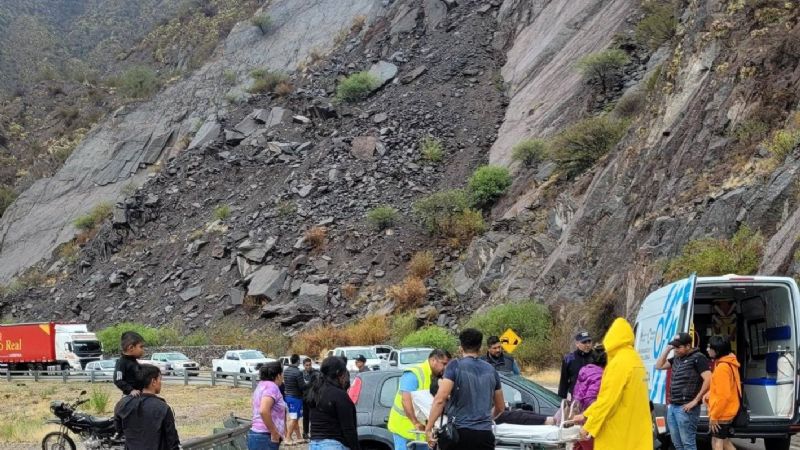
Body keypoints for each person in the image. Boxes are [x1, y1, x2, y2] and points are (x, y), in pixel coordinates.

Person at [572, 318, 652, 450]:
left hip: (617, 435)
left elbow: (607, 400)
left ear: (611, 340)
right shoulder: (636, 360)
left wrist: (588, 427)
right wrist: (585, 415)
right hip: (636, 432)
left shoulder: (618, 363)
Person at [425, 329, 505, 450]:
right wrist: (486, 419)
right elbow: (500, 407)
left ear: (461, 347)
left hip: (460, 434)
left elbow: (440, 400)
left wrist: (428, 428)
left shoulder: (455, 366)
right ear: (480, 347)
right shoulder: (491, 370)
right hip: (485, 435)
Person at [655, 332, 712, 450]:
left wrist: (696, 401)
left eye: (678, 347)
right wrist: (667, 349)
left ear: (688, 346)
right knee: (677, 443)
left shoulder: (698, 358)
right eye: (674, 347)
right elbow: (659, 366)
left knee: (688, 444)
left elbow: (709, 379)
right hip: (673, 406)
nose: (675, 350)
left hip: (687, 409)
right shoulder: (676, 358)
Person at [388, 349, 450, 450]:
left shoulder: (437, 376)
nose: (446, 368)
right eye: (444, 363)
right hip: (404, 428)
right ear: (434, 360)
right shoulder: (414, 374)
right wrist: (415, 422)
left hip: (421, 432)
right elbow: (405, 400)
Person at [113, 364, 180, 450]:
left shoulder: (122, 404)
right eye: (160, 379)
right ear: (153, 381)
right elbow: (172, 441)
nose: (161, 382)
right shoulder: (163, 408)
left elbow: (119, 430)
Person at [307, 356, 360, 450]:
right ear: (339, 373)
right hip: (333, 445)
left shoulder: (315, 391)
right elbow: (348, 429)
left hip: (314, 444)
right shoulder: (339, 395)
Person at [703, 335, 740, 450]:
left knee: (716, 442)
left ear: (717, 350)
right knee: (725, 442)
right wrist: (710, 393)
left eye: (710, 347)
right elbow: (724, 388)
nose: (707, 349)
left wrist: (714, 416)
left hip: (722, 413)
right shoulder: (728, 363)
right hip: (727, 410)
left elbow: (723, 395)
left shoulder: (722, 367)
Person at [570, 348, 607, 450]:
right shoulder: (600, 375)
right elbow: (590, 399)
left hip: (579, 415)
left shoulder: (585, 371)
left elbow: (577, 393)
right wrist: (590, 417)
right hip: (588, 420)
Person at [249, 362, 287, 450]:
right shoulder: (272, 387)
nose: (283, 377)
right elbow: (263, 410)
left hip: (257, 434)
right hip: (265, 436)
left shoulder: (262, 385)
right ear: (278, 375)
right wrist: (273, 432)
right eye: (282, 374)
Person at [558, 331, 596, 400]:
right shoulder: (569, 359)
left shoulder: (597, 357)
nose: (587, 345)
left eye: (589, 342)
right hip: (576, 400)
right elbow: (563, 383)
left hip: (594, 399)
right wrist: (560, 401)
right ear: (577, 344)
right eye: (584, 342)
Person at [114, 331, 145, 396]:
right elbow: (118, 380)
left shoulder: (134, 362)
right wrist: (131, 390)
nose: (143, 350)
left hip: (139, 395)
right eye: (141, 347)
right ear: (131, 348)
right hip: (130, 397)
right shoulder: (121, 362)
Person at [283, 354, 305, 445]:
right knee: (294, 418)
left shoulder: (286, 371)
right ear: (298, 361)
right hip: (296, 398)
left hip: (288, 396)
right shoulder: (298, 372)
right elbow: (302, 386)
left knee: (294, 417)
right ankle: (288, 438)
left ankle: (299, 437)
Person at [301, 357, 319, 440]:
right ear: (304, 365)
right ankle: (305, 432)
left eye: (309, 365)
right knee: (305, 416)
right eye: (306, 365)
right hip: (304, 398)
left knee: (313, 416)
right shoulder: (301, 374)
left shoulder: (315, 373)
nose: (308, 366)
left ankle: (313, 432)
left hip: (312, 398)